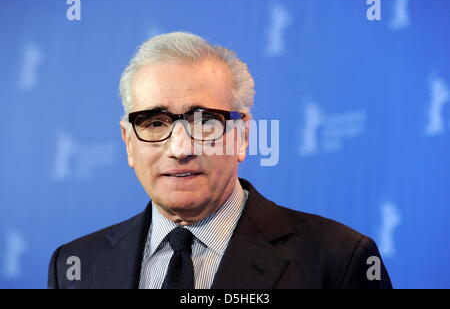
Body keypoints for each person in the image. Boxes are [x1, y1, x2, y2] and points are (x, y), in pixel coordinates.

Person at [48, 32, 392, 289]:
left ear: (242, 136)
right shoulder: (75, 266)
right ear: (128, 143)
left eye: (205, 122)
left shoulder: (339, 259)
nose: (180, 148)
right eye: (154, 124)